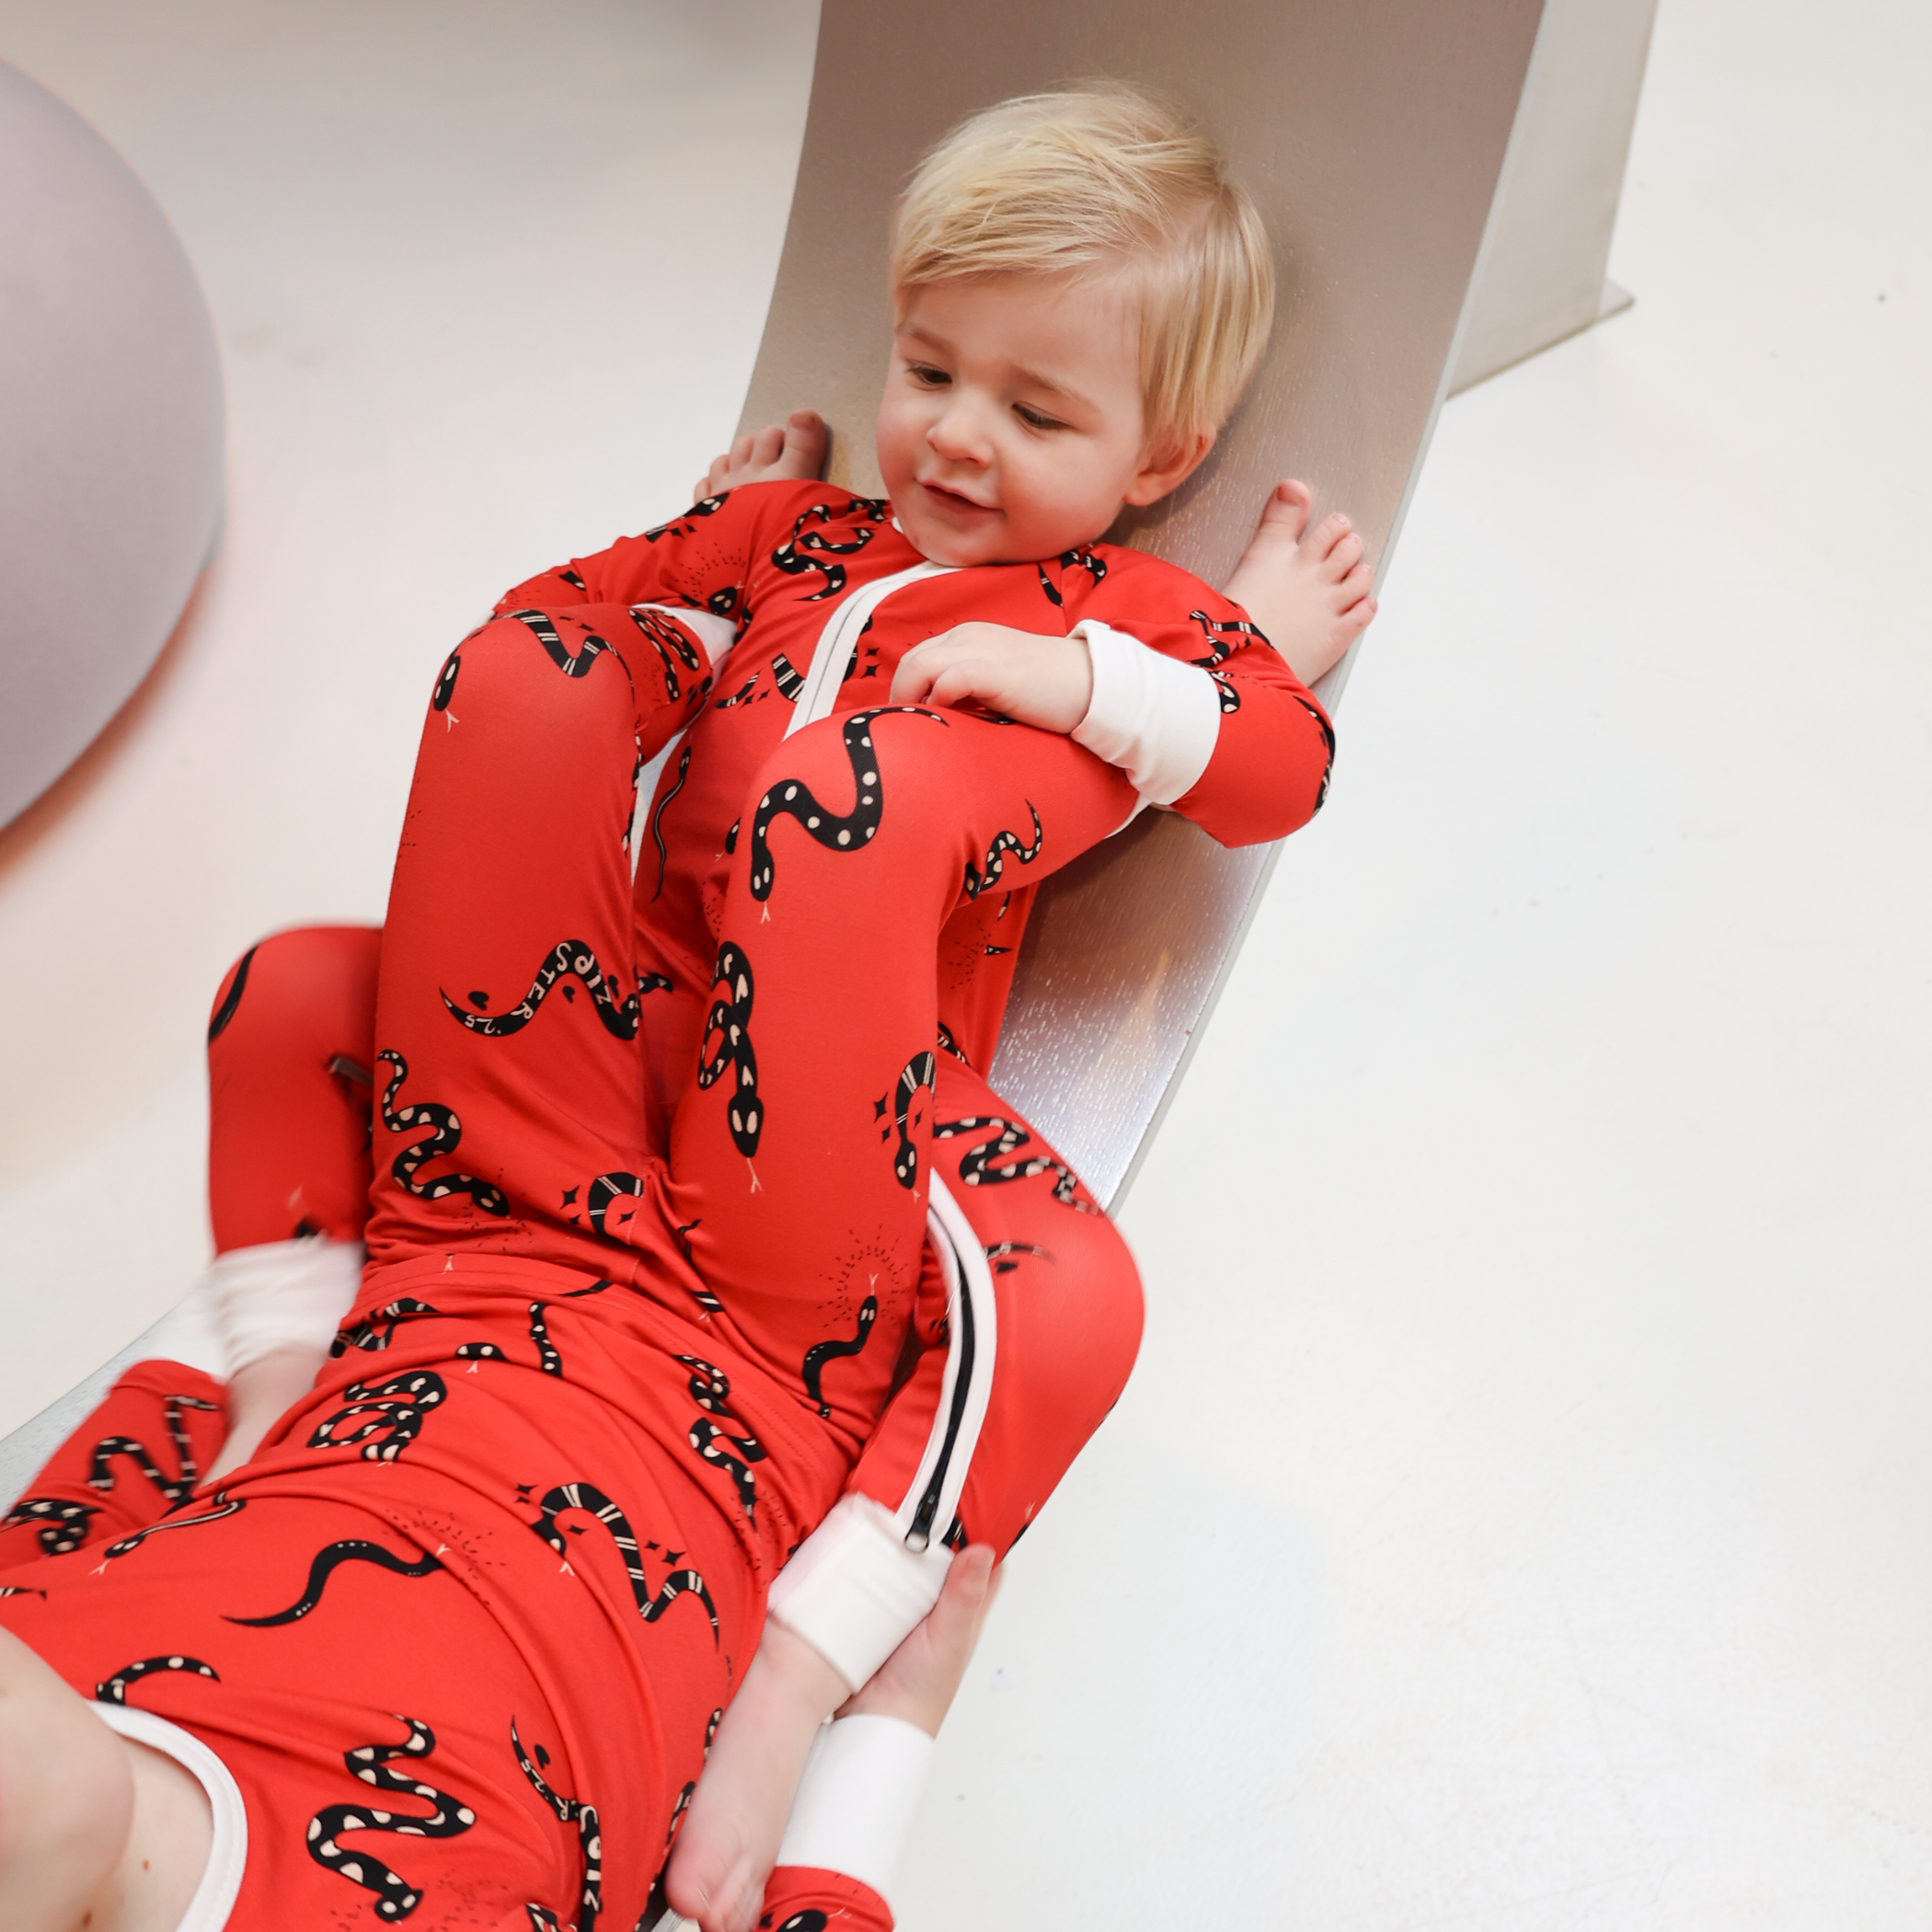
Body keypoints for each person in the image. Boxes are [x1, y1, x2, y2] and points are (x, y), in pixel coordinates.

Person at [0, 84, 1372, 1932]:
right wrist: (709, 552)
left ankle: (805, 1669)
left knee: (1060, 1291)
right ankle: (278, 1375)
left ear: (1161, 456)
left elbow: (1276, 761)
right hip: (596, 1056)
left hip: (827, 1128)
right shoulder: (800, 541)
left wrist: (1136, 669)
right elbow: (577, 616)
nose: (958, 438)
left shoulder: (1110, 609)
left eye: (1039, 414)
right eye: (928, 370)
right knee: (318, 961)